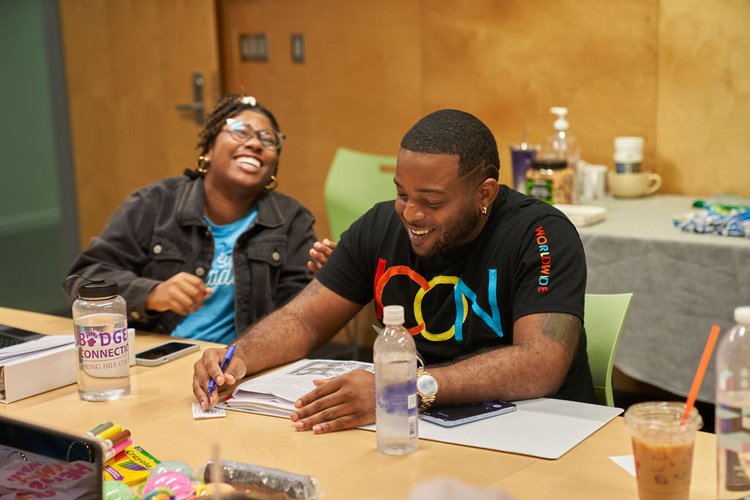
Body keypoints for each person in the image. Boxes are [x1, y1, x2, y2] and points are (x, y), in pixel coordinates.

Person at [193, 109, 594, 432]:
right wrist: (237, 356)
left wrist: (401, 389)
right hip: (418, 425)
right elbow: (303, 320)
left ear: (484, 194)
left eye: (432, 201)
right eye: (402, 194)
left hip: (536, 429)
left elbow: (541, 364)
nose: (412, 214)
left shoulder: (542, 234)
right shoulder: (381, 225)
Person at [67, 94, 323, 345]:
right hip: (155, 359)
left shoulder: (291, 221)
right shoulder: (154, 204)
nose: (255, 144)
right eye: (240, 131)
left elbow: (298, 319)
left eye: (268, 139)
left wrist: (326, 283)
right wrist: (152, 294)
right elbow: (84, 278)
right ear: (209, 149)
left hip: (242, 367)